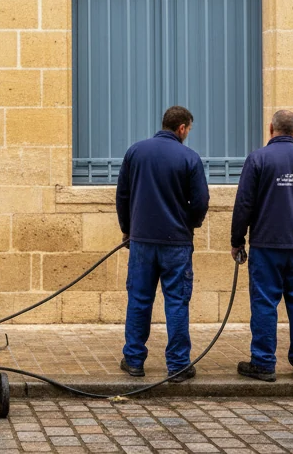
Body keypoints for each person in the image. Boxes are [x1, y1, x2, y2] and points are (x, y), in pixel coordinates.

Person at [230, 109, 293, 383]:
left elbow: (244, 204)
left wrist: (237, 241)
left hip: (266, 245)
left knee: (264, 302)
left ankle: (263, 362)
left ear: (270, 128)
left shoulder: (258, 159)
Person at [115, 105, 210, 380]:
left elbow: (122, 195)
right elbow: (201, 201)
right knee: (177, 302)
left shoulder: (136, 152)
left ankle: (134, 361)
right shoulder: (189, 157)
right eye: (188, 129)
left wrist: (128, 229)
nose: (188, 134)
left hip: (142, 240)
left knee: (139, 299)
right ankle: (178, 364)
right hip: (176, 243)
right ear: (181, 128)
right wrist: (190, 223)